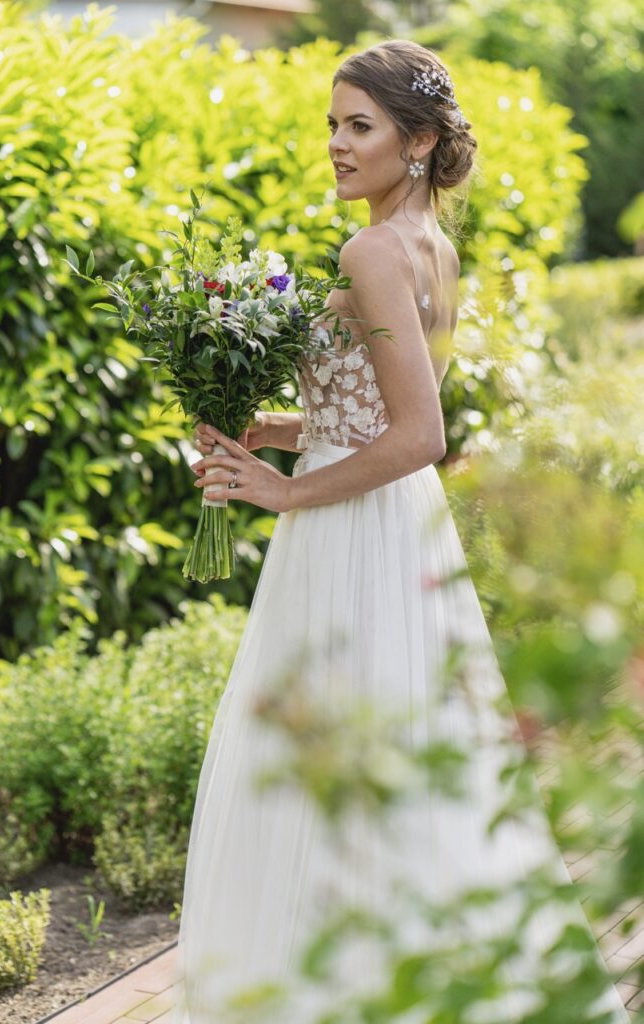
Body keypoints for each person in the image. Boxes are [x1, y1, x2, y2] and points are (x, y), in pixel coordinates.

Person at [170, 40, 629, 1023]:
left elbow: (422, 435)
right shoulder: (432, 244)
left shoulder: (370, 251)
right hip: (392, 527)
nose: (335, 145)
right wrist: (277, 432)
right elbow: (388, 415)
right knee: (401, 756)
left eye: (358, 126)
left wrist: (281, 490)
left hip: (345, 532)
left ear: (416, 143)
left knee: (323, 764)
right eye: (332, 124)